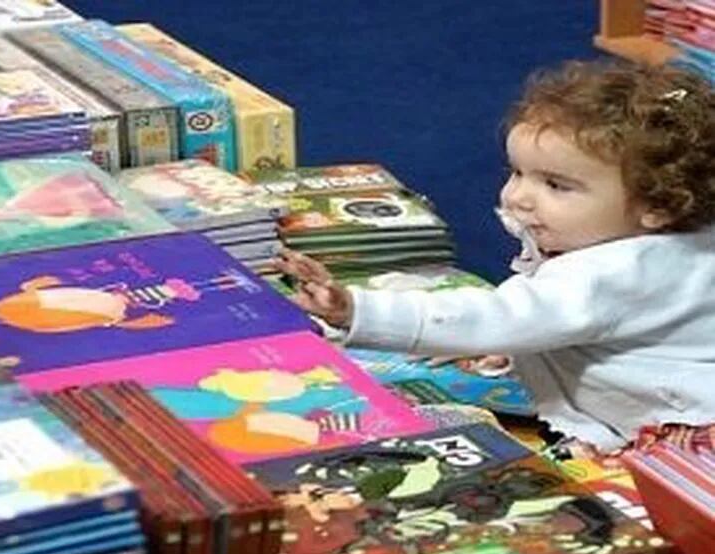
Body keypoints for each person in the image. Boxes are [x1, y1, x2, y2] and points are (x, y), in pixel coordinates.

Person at [276, 59, 715, 452]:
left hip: (673, 425)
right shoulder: (685, 244)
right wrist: (524, 351)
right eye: (517, 173)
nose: (519, 197)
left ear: (656, 208)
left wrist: (357, 309)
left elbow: (506, 314)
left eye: (556, 185)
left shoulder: (609, 272)